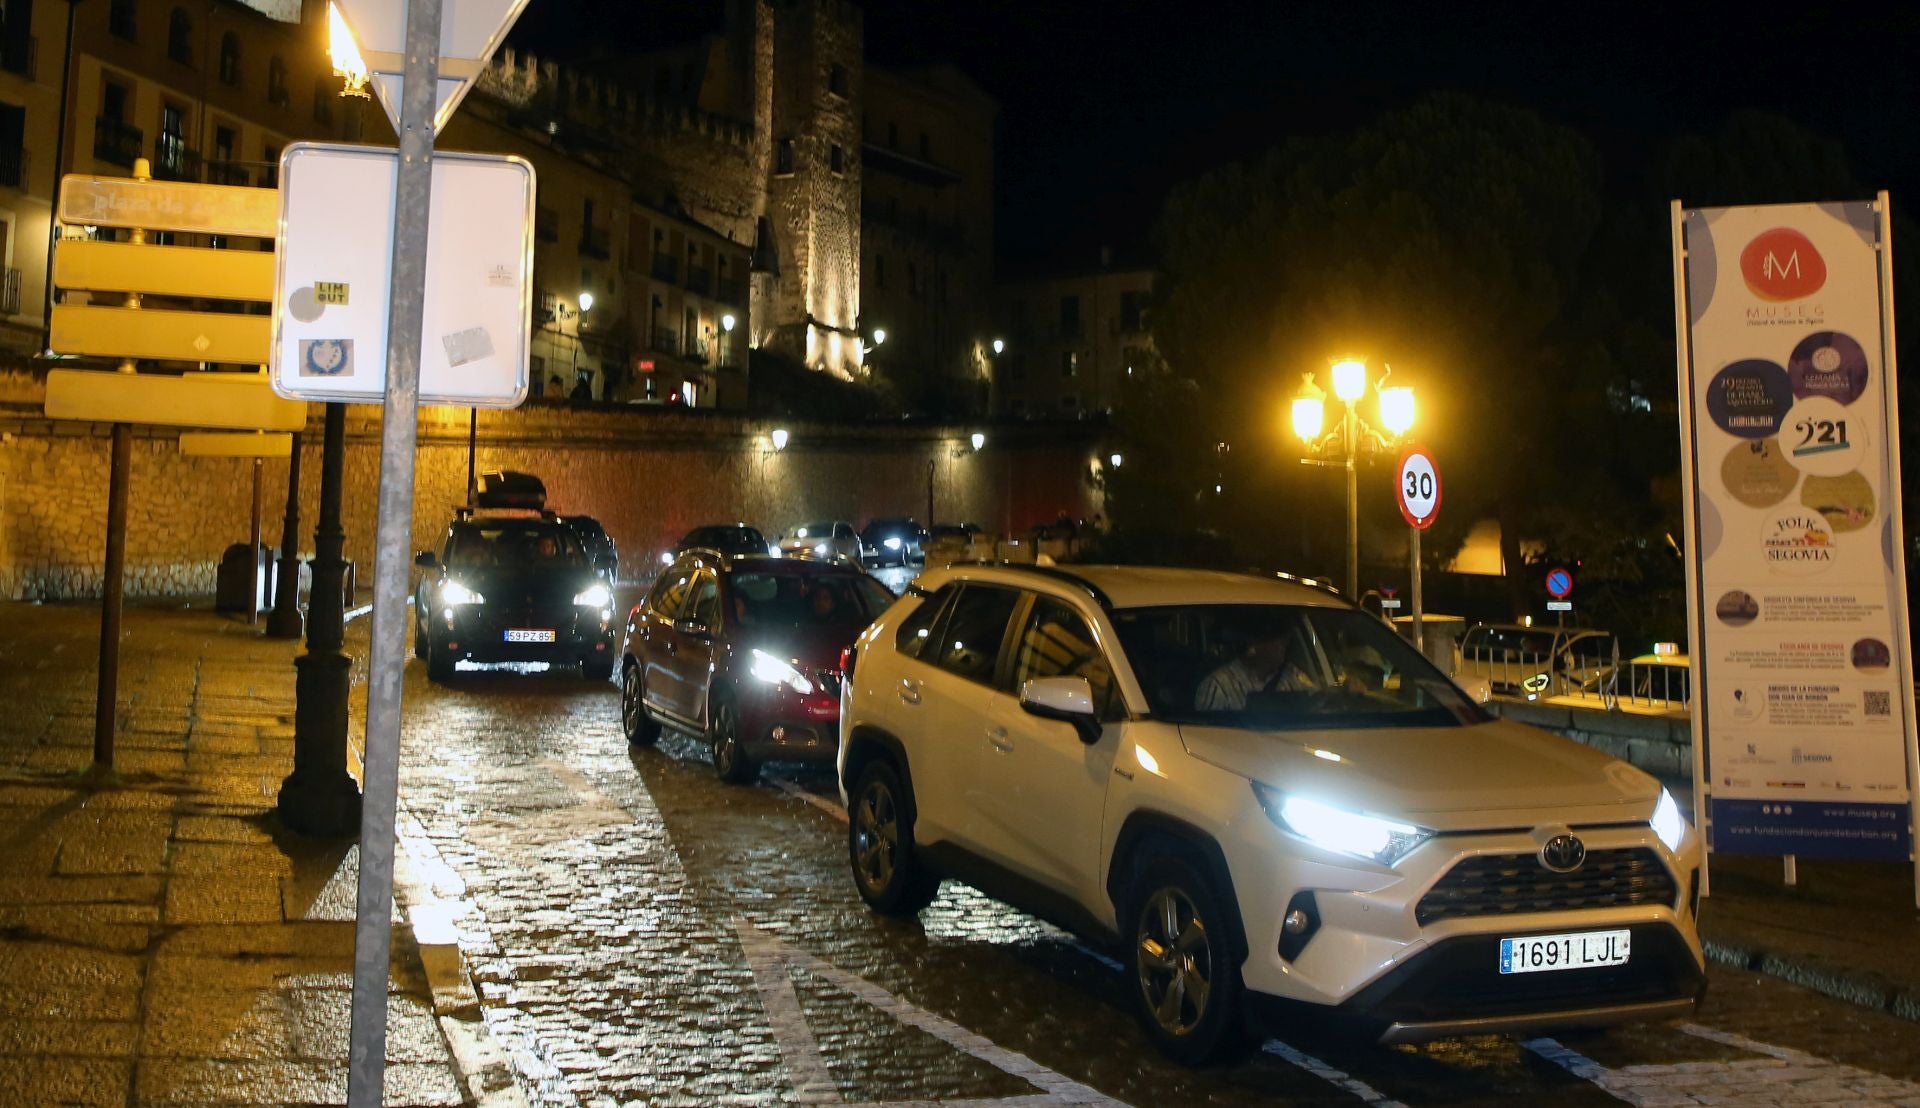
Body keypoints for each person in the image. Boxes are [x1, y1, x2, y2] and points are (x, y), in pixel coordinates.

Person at [1196, 625, 1315, 711]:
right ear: (1253, 647)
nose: (1282, 644)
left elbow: (1317, 706)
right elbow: (1208, 735)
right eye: (1274, 638)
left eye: (1283, 639)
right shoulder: (1219, 686)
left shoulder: (1294, 677)